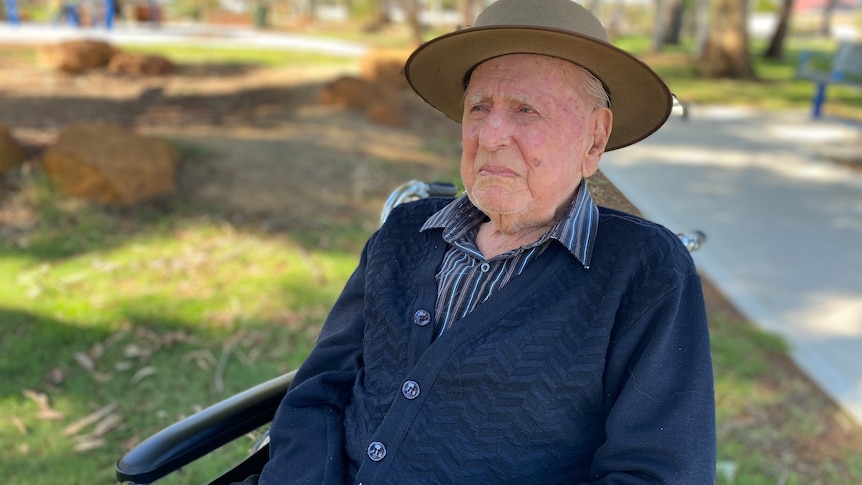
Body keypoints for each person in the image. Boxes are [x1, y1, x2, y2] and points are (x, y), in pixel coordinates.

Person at [252, 0, 716, 483]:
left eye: (525, 110)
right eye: (479, 108)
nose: (491, 135)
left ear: (594, 140)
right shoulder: (405, 233)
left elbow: (657, 472)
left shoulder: (643, 270)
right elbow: (319, 391)